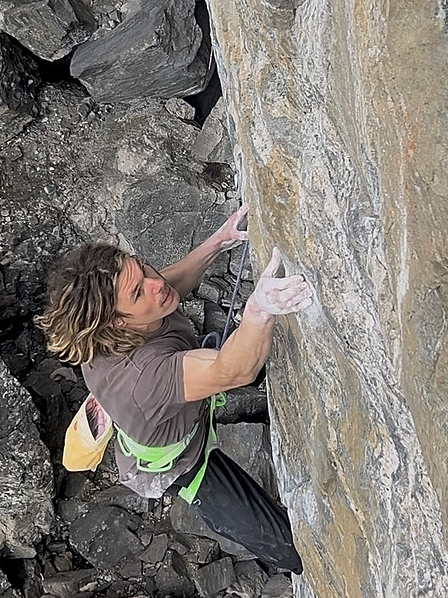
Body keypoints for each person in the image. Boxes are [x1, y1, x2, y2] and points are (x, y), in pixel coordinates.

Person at [37, 205, 312, 572]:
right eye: (139, 292)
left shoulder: (137, 305)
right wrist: (259, 311)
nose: (156, 284)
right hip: (179, 461)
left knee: (233, 346)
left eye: (142, 268)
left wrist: (220, 240)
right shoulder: (143, 378)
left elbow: (171, 282)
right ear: (118, 325)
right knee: (288, 547)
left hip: (170, 393)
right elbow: (233, 371)